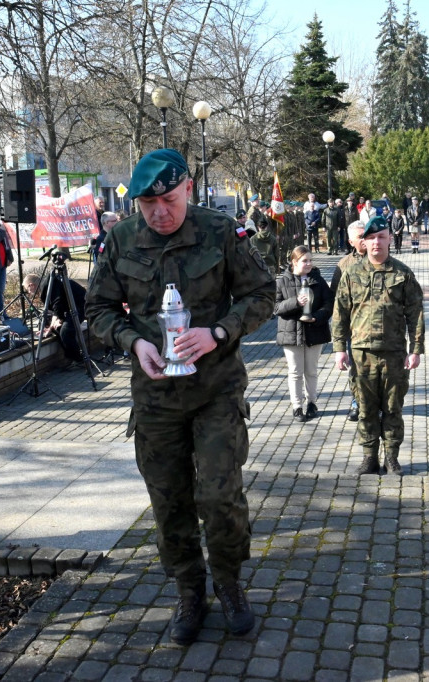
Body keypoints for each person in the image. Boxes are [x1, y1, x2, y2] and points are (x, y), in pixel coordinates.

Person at [84, 149, 275, 645]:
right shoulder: (121, 239)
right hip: (155, 399)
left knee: (218, 494)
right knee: (169, 503)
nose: (159, 212)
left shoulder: (220, 231)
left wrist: (220, 331)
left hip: (215, 390)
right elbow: (99, 310)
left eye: (168, 199)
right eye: (148, 204)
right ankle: (190, 591)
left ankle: (229, 582)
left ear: (188, 187)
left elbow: (263, 294)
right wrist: (134, 341)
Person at [332, 217, 425, 475]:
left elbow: (415, 313)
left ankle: (392, 458)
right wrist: (339, 348)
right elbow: (340, 312)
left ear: (389, 240)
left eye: (381, 237)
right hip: (361, 353)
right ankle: (369, 457)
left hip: (394, 353)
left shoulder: (403, 273)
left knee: (393, 407)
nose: (376, 243)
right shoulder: (351, 273)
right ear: (364, 242)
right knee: (365, 408)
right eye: (371, 238)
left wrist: (416, 350)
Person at [274, 246, 333, 422]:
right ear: (294, 262)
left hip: (315, 331)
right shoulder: (282, 282)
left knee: (311, 371)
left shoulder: (318, 280)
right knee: (295, 371)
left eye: (310, 260)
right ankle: (297, 406)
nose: (309, 264)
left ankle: (312, 403)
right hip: (291, 333)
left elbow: (328, 304)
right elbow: (276, 307)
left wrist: (317, 317)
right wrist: (296, 302)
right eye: (304, 261)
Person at [331, 222, 367, 422]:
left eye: (365, 235)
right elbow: (336, 299)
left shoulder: (380, 259)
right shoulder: (344, 264)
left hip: (377, 328)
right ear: (351, 241)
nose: (364, 239)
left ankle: (374, 404)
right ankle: (356, 402)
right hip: (354, 328)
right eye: (359, 236)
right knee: (355, 369)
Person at [23, 270, 87, 362]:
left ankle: (80, 360)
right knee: (57, 329)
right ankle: (71, 357)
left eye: (27, 289)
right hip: (71, 308)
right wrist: (51, 327)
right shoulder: (47, 285)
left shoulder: (47, 286)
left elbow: (58, 304)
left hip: (80, 306)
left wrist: (59, 319)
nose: (29, 293)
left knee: (65, 332)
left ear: (31, 285)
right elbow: (55, 309)